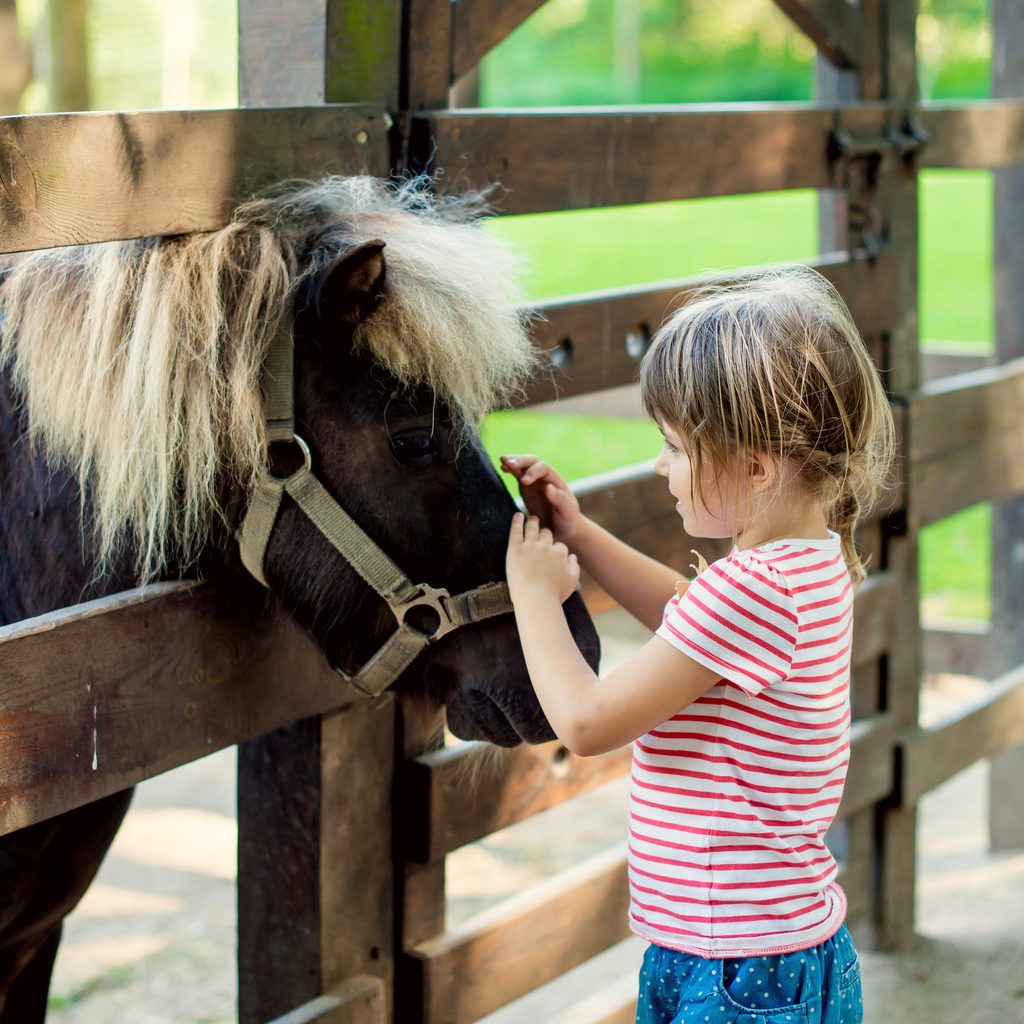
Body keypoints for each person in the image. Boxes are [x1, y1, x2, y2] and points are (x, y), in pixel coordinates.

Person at [502, 265, 895, 1024]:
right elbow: (690, 619)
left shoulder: (751, 589)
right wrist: (581, 534)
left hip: (733, 967)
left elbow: (587, 722)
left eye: (676, 448)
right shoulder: (807, 564)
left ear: (756, 463)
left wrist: (533, 592)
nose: (659, 467)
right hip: (772, 949)